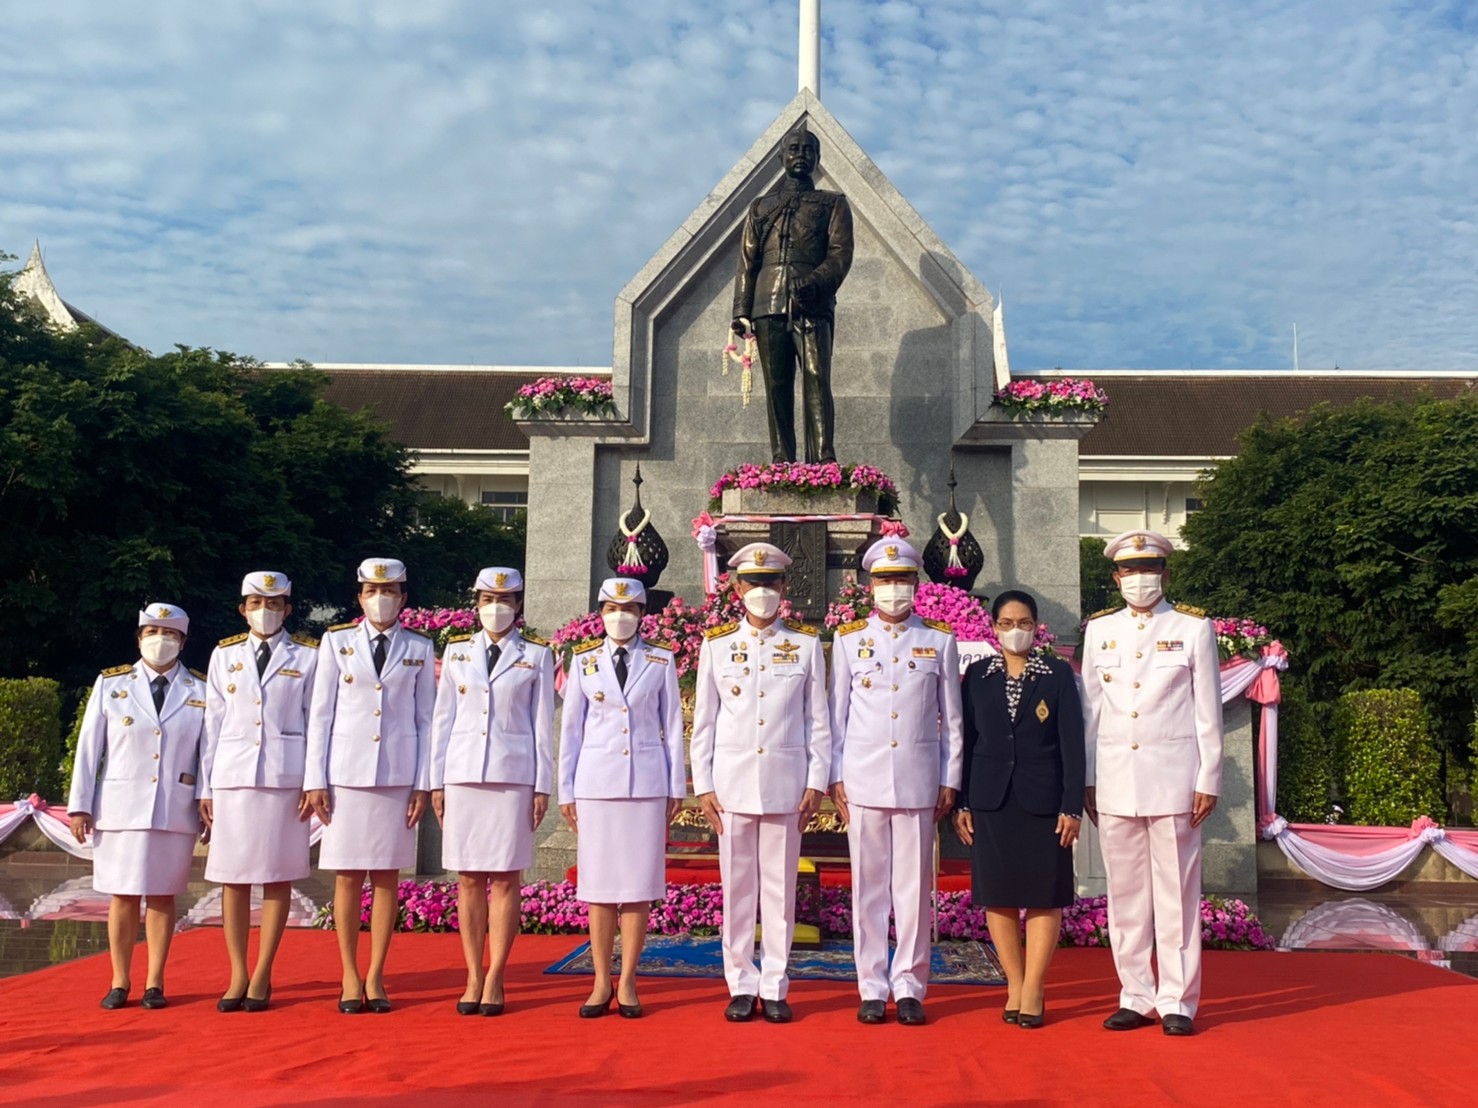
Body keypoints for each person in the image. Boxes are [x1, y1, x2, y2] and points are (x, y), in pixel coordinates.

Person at [1081, 530, 1223, 1037]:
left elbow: (1208, 711)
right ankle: (1136, 994)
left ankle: (1178, 999)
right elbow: (1091, 713)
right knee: (1126, 896)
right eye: (1129, 571)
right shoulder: (1100, 632)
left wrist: (1208, 777)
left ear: (1164, 573)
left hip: (1174, 781)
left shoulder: (1192, 628)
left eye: (1148, 569)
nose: (1138, 579)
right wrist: (1089, 779)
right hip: (1116, 780)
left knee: (1177, 894)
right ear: (1116, 577)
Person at [691, 542, 831, 1023]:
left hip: (786, 785)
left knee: (778, 890)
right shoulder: (716, 646)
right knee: (738, 889)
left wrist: (816, 780)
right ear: (736, 587)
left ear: (784, 588)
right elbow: (704, 725)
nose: (762, 592)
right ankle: (739, 982)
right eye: (753, 583)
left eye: (770, 583)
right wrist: (703, 784)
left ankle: (774, 983)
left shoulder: (808, 646)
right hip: (731, 786)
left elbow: (819, 722)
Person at [829, 539, 963, 1026]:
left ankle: (908, 984)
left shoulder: (939, 641)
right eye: (885, 580)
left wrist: (950, 777)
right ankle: (870, 985)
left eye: (902, 579)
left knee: (913, 889)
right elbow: (835, 716)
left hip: (917, 779)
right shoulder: (847, 641)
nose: (893, 589)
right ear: (870, 586)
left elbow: (953, 720)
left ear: (916, 585)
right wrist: (835, 776)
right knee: (868, 888)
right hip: (863, 781)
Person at [307, 558, 435, 1014]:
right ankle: (348, 974)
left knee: (386, 879)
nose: (381, 598)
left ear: (403, 597)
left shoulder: (420, 646)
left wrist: (423, 783)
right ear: (360, 596)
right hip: (345, 776)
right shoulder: (336, 641)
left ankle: (377, 975)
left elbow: (427, 720)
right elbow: (320, 715)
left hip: (397, 777)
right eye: (372, 591)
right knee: (346, 877)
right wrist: (315, 778)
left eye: (391, 591)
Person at [954, 589, 1084, 1029]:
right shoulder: (977, 675)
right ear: (993, 628)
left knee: (1045, 896)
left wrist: (1072, 805)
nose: (1015, 631)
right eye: (1007, 623)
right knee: (1000, 895)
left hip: (1045, 801)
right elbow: (967, 742)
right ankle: (1014, 982)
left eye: (1023, 623)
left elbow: (1072, 742)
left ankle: (1035, 987)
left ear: (1036, 626)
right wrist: (963, 800)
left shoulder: (1057, 674)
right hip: (991, 799)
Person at [68, 603, 206, 1010]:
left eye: (170, 634)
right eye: (152, 632)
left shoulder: (199, 689)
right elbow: (89, 749)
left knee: (163, 895)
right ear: (139, 637)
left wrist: (205, 800)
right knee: (124, 896)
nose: (160, 640)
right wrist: (80, 806)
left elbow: (207, 754)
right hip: (121, 805)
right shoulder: (111, 684)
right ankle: (119, 980)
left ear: (182, 641)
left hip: (173, 807)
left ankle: (155, 982)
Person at [558, 577, 684, 1019]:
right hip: (597, 786)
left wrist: (676, 786)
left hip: (646, 784)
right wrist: (566, 789)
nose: (620, 616)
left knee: (636, 888)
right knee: (598, 888)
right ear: (600, 611)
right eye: (612, 608)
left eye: (629, 608)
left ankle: (628, 980)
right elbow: (571, 730)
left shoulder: (660, 659)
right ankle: (599, 981)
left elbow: (672, 726)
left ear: (641, 614)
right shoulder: (584, 661)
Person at [430, 567, 554, 1016]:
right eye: (487, 598)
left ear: (518, 605)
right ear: (476, 602)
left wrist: (543, 785)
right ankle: (472, 975)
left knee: (504, 878)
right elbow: (443, 720)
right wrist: (436, 780)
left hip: (511, 777)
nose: (495, 607)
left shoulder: (537, 655)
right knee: (467, 878)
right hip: (463, 775)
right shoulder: (457, 652)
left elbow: (542, 726)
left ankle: (497, 975)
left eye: (505, 599)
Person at [199, 571, 319, 1012]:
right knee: (232, 876)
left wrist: (313, 779)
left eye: (273, 604)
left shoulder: (308, 655)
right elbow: (211, 725)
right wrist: (206, 786)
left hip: (285, 778)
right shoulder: (224, 654)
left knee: (276, 874)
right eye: (255, 603)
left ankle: (264, 971)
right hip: (232, 778)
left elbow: (316, 722)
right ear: (242, 608)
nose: (264, 611)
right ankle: (237, 972)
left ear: (288, 608)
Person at [731, 119, 854, 463]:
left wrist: (816, 281)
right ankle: (782, 459)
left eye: (809, 150)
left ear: (817, 158)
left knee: (816, 377)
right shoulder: (760, 207)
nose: (801, 155)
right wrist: (740, 309)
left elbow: (841, 254)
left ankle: (823, 460)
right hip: (766, 302)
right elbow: (747, 261)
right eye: (794, 149)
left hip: (811, 303)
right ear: (781, 157)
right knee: (777, 386)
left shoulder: (833, 204)